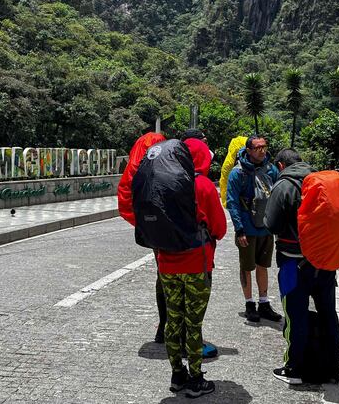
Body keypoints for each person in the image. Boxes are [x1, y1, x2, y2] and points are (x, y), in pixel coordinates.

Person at [264, 148, 339, 384]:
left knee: (294, 314)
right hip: (325, 260)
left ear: (280, 166)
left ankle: (294, 369)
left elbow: (272, 225)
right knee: (328, 311)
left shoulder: (283, 185)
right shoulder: (321, 181)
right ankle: (334, 366)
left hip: (293, 262)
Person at [157, 137, 227, 398]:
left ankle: (177, 375)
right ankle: (196, 379)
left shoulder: (164, 183)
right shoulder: (203, 185)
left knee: (173, 320)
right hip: (196, 264)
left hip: (167, 264)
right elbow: (219, 228)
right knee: (193, 323)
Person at [226, 135, 282, 323]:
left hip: (265, 228)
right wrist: (239, 229)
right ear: (248, 150)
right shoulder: (238, 173)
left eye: (264, 147)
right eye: (257, 148)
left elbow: (277, 197)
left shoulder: (272, 169)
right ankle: (250, 303)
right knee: (246, 267)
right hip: (247, 229)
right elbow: (232, 202)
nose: (262, 150)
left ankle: (264, 303)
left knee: (263, 265)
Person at [117, 132, 167, 343]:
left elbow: (124, 197)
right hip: (171, 228)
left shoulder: (135, 168)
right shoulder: (165, 163)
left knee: (162, 274)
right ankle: (174, 326)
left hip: (152, 229)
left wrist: (142, 223)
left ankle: (162, 325)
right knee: (174, 275)